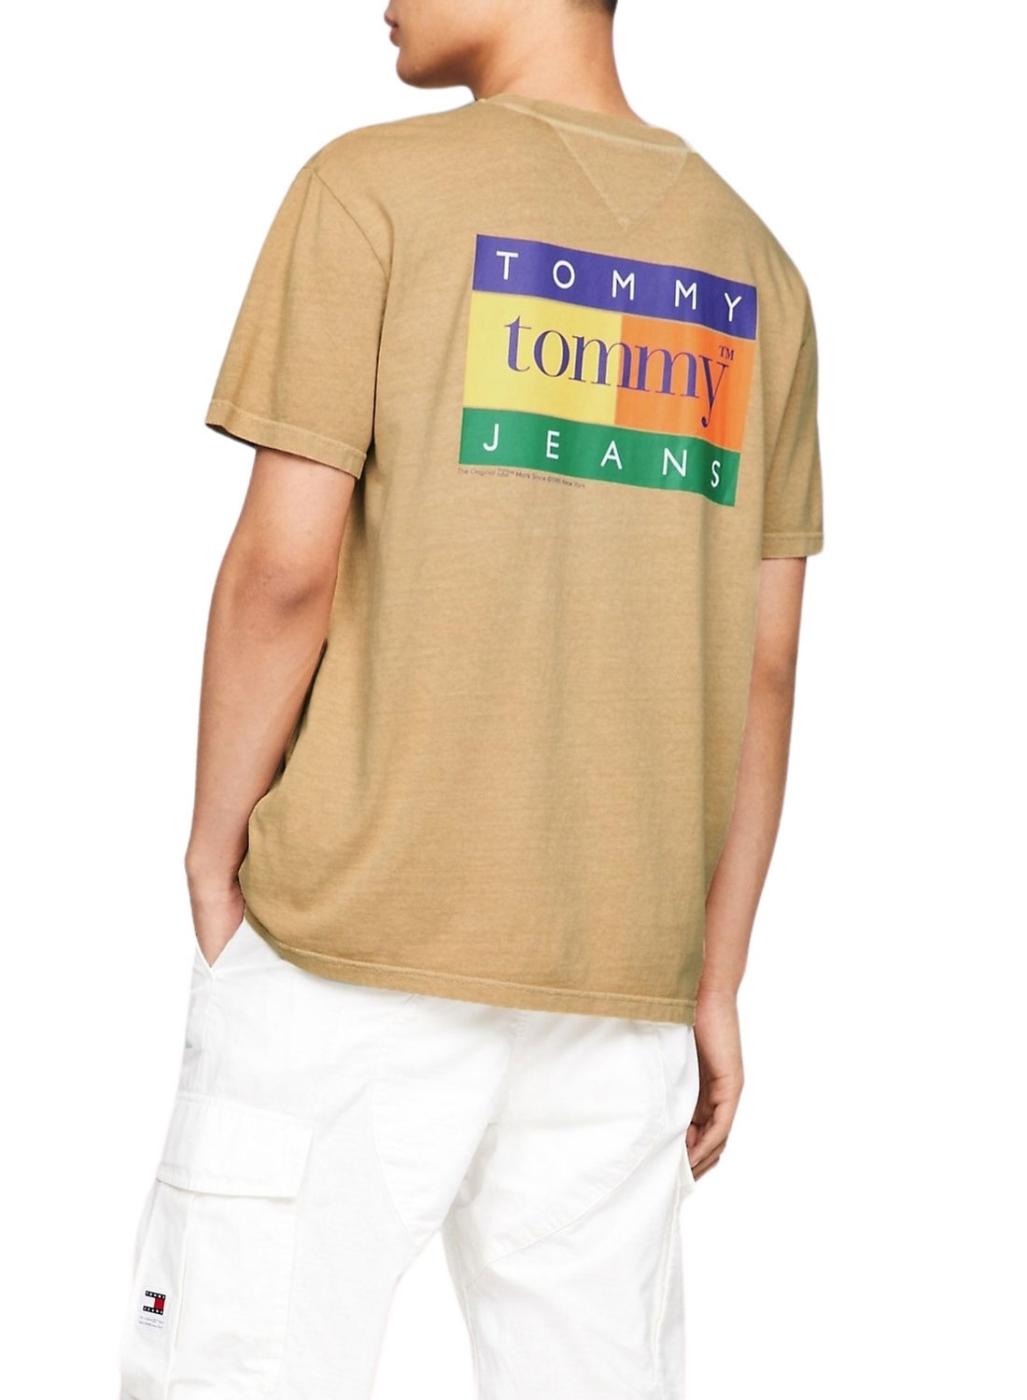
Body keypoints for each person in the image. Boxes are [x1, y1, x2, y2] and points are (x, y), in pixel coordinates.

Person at [118, 0, 823, 1395]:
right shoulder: (756, 268)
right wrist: (714, 975)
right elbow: (767, 663)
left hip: (352, 939)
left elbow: (284, 571)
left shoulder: (371, 190)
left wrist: (210, 846)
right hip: (622, 977)